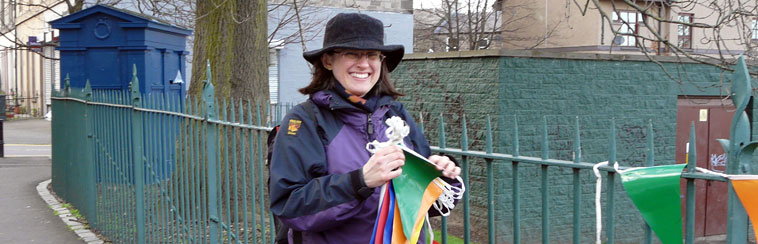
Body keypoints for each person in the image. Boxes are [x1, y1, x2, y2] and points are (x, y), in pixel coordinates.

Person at [269, 13, 462, 244]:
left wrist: (441, 175)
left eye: (372, 55)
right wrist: (359, 182)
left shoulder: (396, 114)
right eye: (352, 54)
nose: (364, 64)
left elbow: (422, 205)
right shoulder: (304, 121)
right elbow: (290, 206)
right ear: (328, 61)